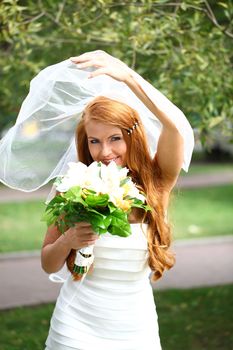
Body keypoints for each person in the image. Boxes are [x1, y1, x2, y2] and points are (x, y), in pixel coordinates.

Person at [0, 50, 194, 349]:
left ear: (133, 135)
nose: (105, 152)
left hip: (136, 327)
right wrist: (69, 241)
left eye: (114, 138)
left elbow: (176, 128)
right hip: (76, 326)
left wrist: (129, 77)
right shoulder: (75, 186)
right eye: (94, 141)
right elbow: (48, 264)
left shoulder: (157, 182)